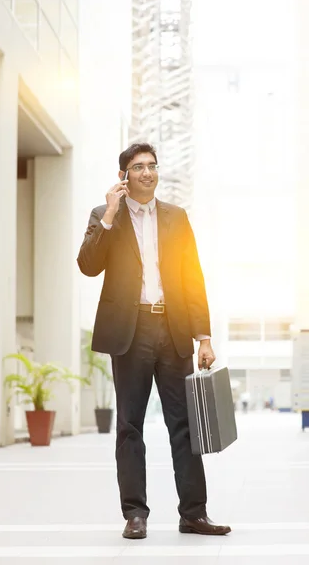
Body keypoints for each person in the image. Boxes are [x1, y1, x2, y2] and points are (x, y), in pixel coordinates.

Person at [77, 143, 231, 540]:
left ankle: (194, 513)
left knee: (186, 425)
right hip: (130, 331)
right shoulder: (104, 216)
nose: (146, 172)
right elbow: (88, 266)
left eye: (151, 166)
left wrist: (204, 336)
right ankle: (135, 514)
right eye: (137, 167)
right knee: (130, 426)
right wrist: (109, 216)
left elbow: (192, 277)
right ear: (124, 176)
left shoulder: (176, 218)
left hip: (173, 329)